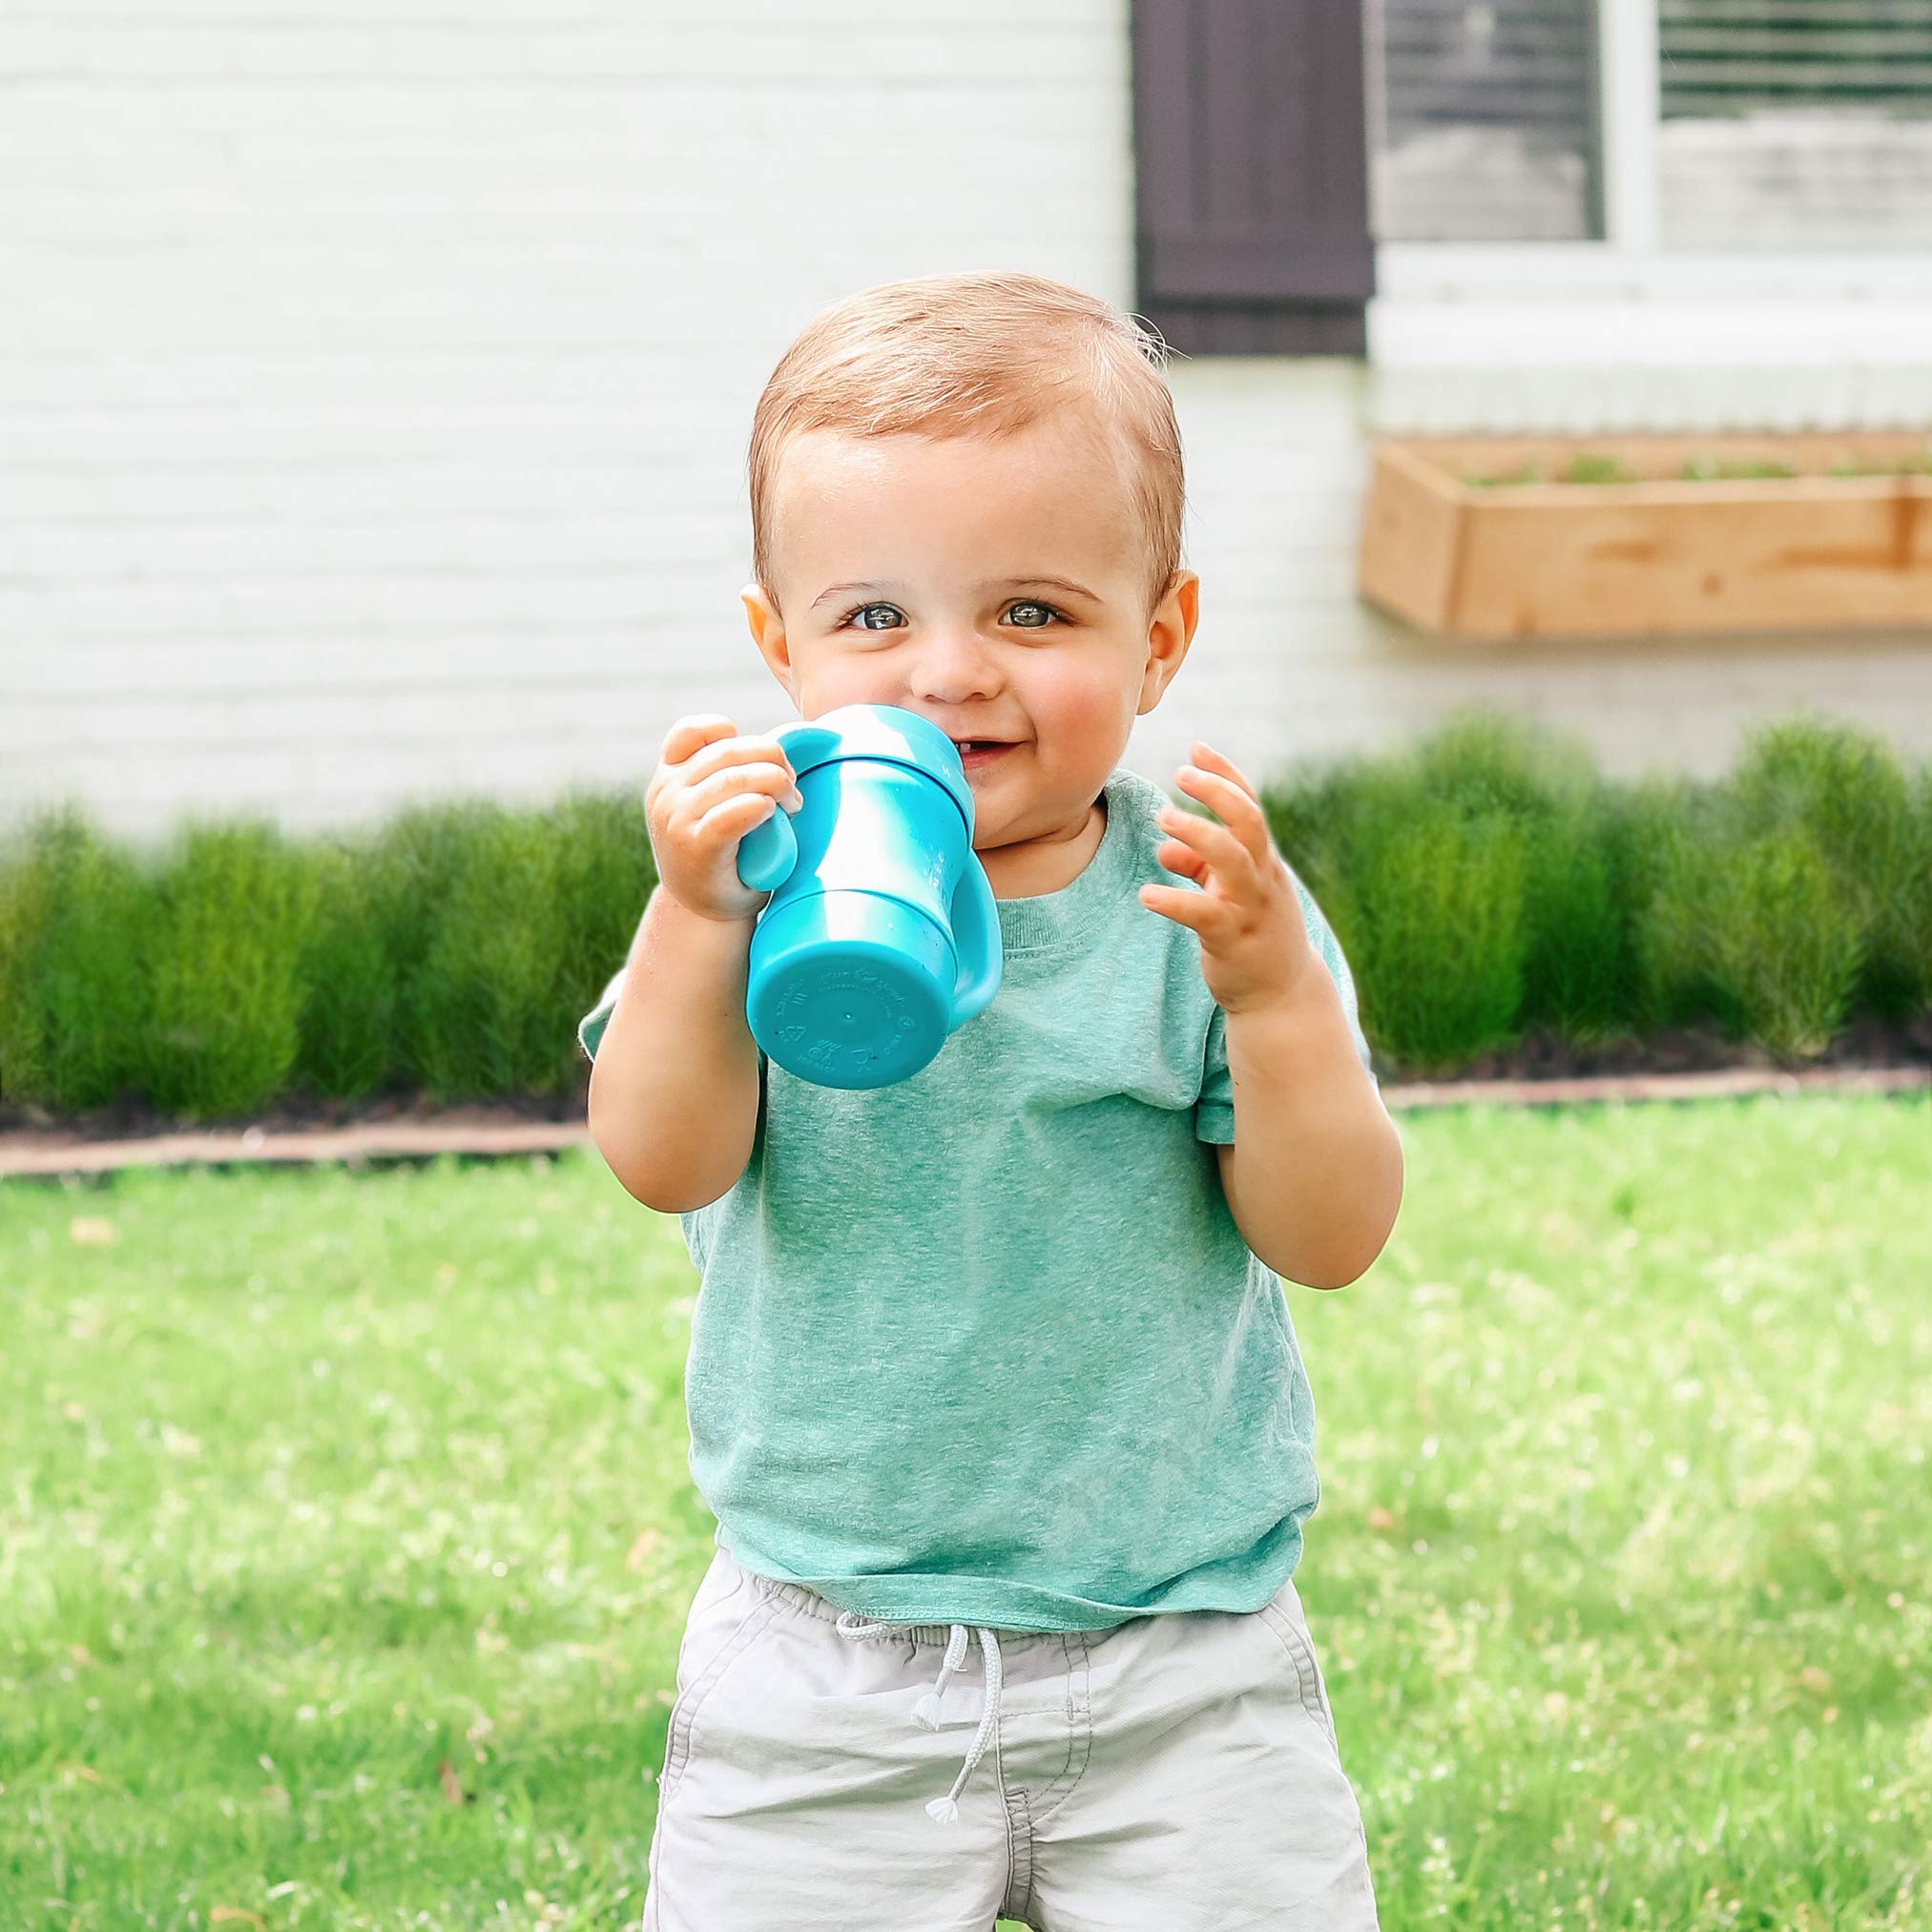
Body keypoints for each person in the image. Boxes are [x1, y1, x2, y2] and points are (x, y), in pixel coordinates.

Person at [579, 270, 1403, 1931]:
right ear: (779, 645)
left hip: (1186, 1659)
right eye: (874, 619)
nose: (950, 676)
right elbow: (660, 1156)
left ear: (1156, 637)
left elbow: (1330, 1237)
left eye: (1031, 613)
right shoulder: (754, 891)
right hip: (827, 1662)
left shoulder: (1199, 903)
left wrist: (1270, 997)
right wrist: (691, 917)